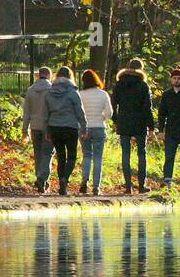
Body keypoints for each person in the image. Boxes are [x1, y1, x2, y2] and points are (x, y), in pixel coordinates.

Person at [112, 58, 155, 194]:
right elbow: (147, 107)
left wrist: (116, 120)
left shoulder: (119, 84)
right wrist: (151, 126)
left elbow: (113, 104)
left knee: (126, 154)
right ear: (141, 69)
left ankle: (128, 186)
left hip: (124, 121)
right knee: (141, 153)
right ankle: (142, 185)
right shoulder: (143, 85)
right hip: (140, 122)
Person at [44, 66, 87, 196]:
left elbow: (46, 113)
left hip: (54, 126)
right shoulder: (73, 92)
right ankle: (64, 180)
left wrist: (47, 129)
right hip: (70, 127)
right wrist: (84, 127)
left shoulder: (50, 92)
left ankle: (61, 181)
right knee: (72, 156)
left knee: (61, 156)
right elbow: (80, 111)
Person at [78, 69, 113, 196]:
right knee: (98, 158)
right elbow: (109, 113)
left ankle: (84, 182)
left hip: (84, 128)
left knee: (86, 155)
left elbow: (78, 112)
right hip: (99, 127)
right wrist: (102, 118)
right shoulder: (103, 94)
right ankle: (96, 187)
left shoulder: (80, 94)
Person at [21, 66, 54, 193]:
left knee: (38, 154)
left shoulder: (30, 90)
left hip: (34, 126)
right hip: (48, 126)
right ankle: (43, 178)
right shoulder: (52, 90)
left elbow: (26, 113)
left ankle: (39, 177)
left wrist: (25, 129)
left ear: (38, 75)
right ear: (49, 75)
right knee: (48, 154)